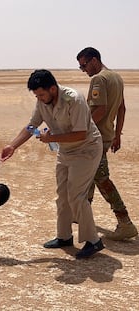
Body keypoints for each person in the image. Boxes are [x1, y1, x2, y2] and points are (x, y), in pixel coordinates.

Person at [0, 69, 104, 259]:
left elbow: (81, 133)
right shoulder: (42, 102)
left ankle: (94, 241)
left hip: (86, 149)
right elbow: (32, 126)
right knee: (62, 195)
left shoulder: (74, 99)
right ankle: (64, 236)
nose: (39, 98)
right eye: (36, 95)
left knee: (76, 195)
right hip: (65, 150)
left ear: (53, 89)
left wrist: (52, 138)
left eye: (41, 94)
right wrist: (13, 146)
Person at [77, 47, 138, 241]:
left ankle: (125, 221)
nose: (84, 70)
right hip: (107, 135)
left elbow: (100, 110)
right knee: (90, 174)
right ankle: (82, 213)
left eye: (84, 65)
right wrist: (117, 134)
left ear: (94, 60)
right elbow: (122, 108)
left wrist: (81, 131)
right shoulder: (116, 77)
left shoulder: (99, 79)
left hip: (96, 137)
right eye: (80, 67)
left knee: (101, 178)